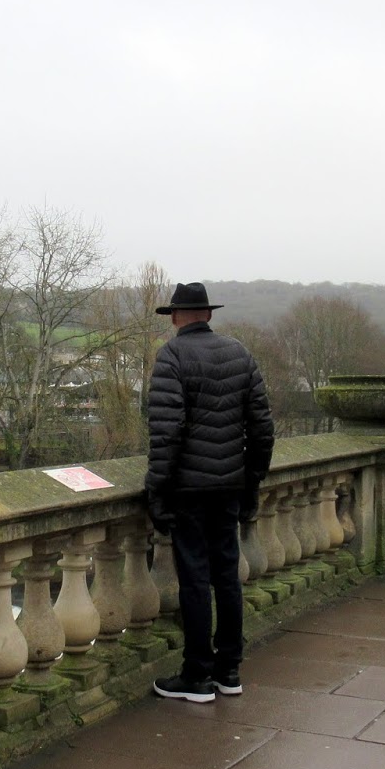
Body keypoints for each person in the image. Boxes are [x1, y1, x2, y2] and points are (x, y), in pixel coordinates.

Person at [145, 282, 274, 704]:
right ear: (209, 315)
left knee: (195, 580)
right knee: (227, 576)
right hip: (229, 484)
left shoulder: (173, 355)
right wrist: (251, 480)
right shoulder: (240, 353)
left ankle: (197, 675)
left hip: (190, 488)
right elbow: (261, 428)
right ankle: (229, 670)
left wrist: (157, 491)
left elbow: (166, 431)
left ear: (177, 317)